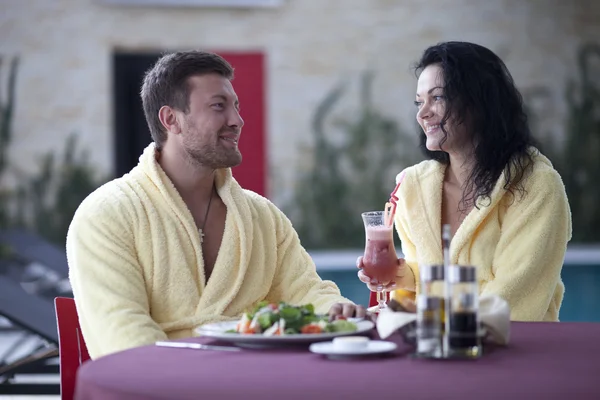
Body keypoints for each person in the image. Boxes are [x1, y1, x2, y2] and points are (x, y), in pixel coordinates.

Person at [67, 50, 364, 359]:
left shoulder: (261, 217)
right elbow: (125, 339)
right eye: (218, 106)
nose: (237, 120)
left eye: (235, 106)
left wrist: (335, 310)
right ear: (171, 119)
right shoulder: (106, 215)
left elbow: (306, 292)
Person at [358, 41, 572, 321]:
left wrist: (430, 314)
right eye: (419, 101)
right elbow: (420, 294)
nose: (423, 114)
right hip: (435, 352)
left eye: (437, 97)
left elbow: (512, 300)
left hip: (514, 355)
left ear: (479, 101)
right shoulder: (415, 189)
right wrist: (404, 278)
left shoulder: (535, 186)